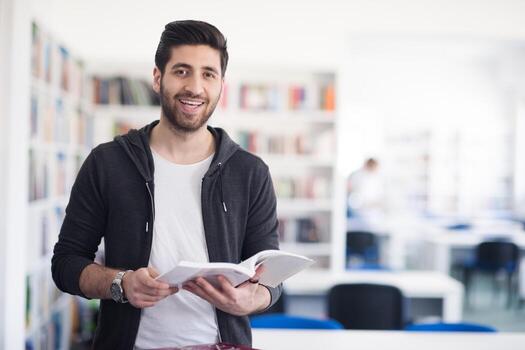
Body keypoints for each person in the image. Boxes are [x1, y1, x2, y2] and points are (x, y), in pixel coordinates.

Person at [52, 20, 281, 349]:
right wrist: (121, 283)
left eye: (208, 74)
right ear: (158, 78)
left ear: (221, 85)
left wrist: (250, 300)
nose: (195, 87)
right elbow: (65, 263)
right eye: (182, 71)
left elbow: (270, 280)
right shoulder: (107, 163)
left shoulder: (250, 172)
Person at [346, 158, 385, 228]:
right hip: (358, 214)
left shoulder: (376, 179)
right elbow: (351, 192)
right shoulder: (357, 176)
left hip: (371, 216)